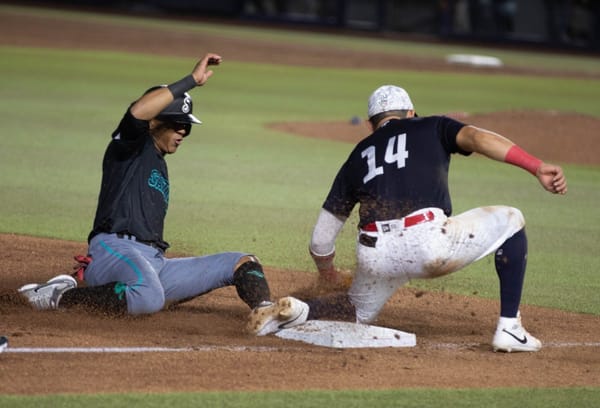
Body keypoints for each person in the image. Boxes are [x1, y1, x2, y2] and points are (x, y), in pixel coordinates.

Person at [248, 85, 568, 352]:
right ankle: (510, 328)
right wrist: (535, 166)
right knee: (511, 219)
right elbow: (478, 138)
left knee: (355, 310)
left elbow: (320, 240)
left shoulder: (358, 156)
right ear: (411, 113)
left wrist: (327, 274)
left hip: (374, 252)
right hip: (428, 240)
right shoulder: (432, 125)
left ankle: (295, 310)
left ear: (372, 125)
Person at [18, 53, 290, 323]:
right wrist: (191, 81)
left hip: (155, 263)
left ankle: (265, 313)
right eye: (176, 123)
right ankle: (59, 296)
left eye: (187, 126)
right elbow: (137, 112)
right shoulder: (129, 147)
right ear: (153, 122)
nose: (183, 131)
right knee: (148, 296)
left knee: (243, 261)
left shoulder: (159, 162)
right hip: (113, 250)